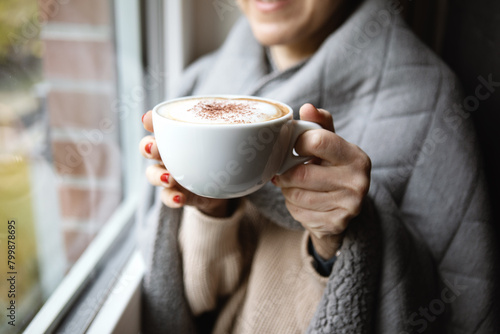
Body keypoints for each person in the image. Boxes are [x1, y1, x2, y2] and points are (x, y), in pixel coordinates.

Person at [138, 0, 498, 333]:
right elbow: (195, 304)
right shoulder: (199, 84)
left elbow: (456, 310)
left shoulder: (431, 106)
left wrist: (340, 241)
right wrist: (212, 205)